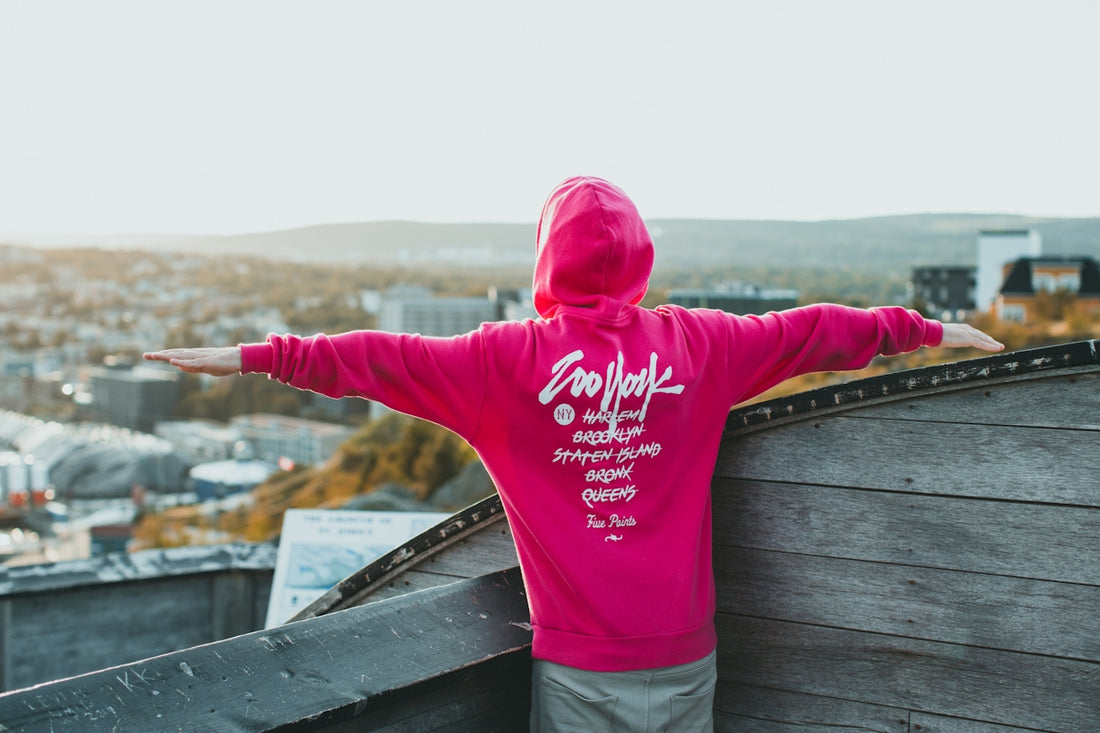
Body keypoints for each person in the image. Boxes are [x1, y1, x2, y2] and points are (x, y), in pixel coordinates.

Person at [145, 176, 1003, 732]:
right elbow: (816, 328)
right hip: (690, 657)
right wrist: (926, 329)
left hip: (582, 670)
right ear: (640, 260)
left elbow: (374, 358)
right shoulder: (701, 345)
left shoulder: (497, 363)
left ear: (546, 259)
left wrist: (260, 357)